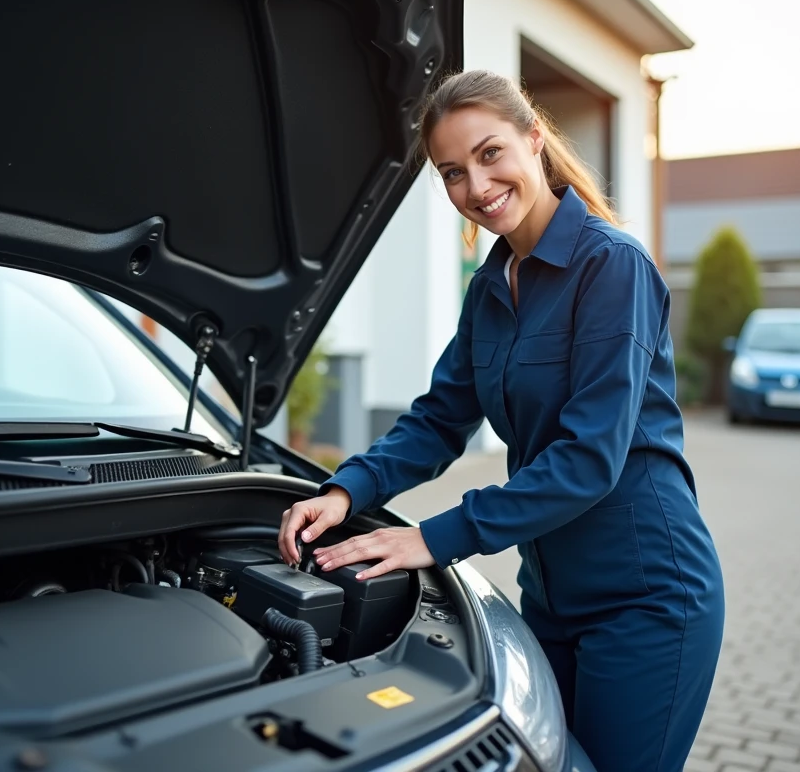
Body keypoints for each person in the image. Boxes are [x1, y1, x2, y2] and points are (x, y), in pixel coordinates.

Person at [277, 69, 725, 772]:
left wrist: (433, 538)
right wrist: (345, 491)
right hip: (548, 599)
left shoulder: (613, 268)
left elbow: (588, 459)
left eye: (490, 154)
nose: (476, 188)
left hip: (647, 600)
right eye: (452, 172)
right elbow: (437, 420)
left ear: (534, 139)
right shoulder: (490, 286)